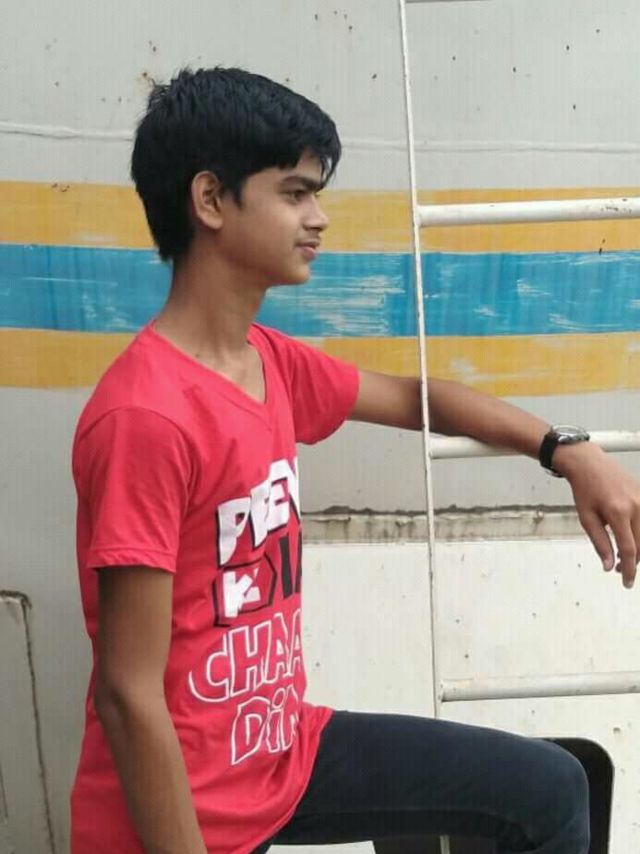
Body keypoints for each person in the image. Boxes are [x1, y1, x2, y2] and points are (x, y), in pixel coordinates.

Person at [70, 67, 639, 854]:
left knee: (551, 789)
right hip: (186, 815)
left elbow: (414, 397)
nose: (319, 217)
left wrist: (566, 448)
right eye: (295, 193)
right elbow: (128, 695)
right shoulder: (146, 417)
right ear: (210, 201)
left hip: (282, 754)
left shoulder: (267, 362)